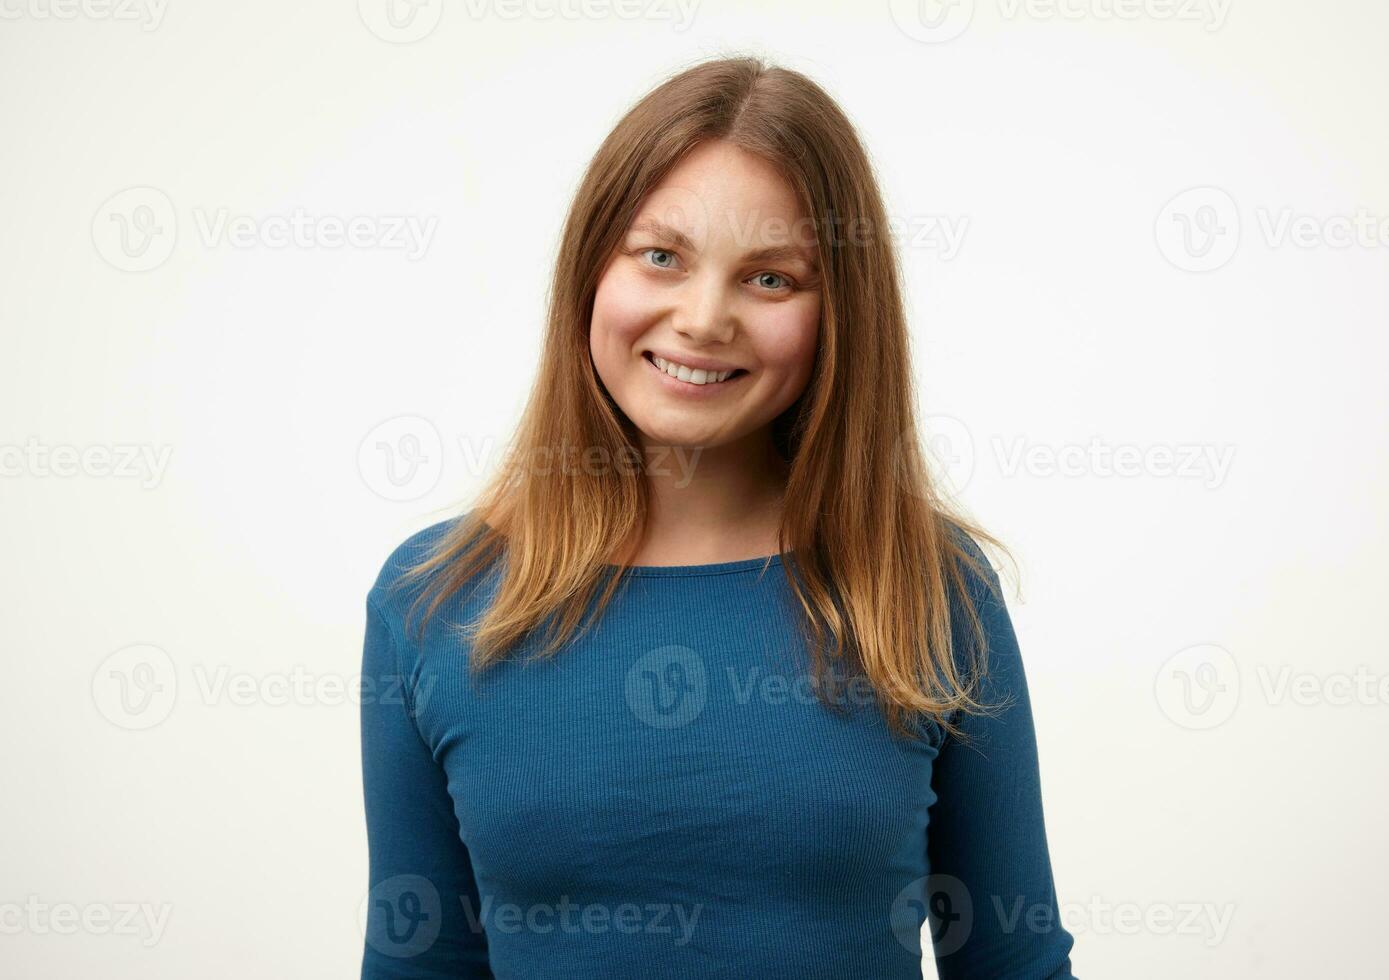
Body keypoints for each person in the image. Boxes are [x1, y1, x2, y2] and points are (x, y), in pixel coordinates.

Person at [359, 55, 1077, 979]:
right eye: (661, 256)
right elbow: (419, 962)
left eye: (770, 279)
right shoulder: (434, 601)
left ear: (838, 315)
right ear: (590, 268)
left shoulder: (928, 587)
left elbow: (1013, 962)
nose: (702, 318)